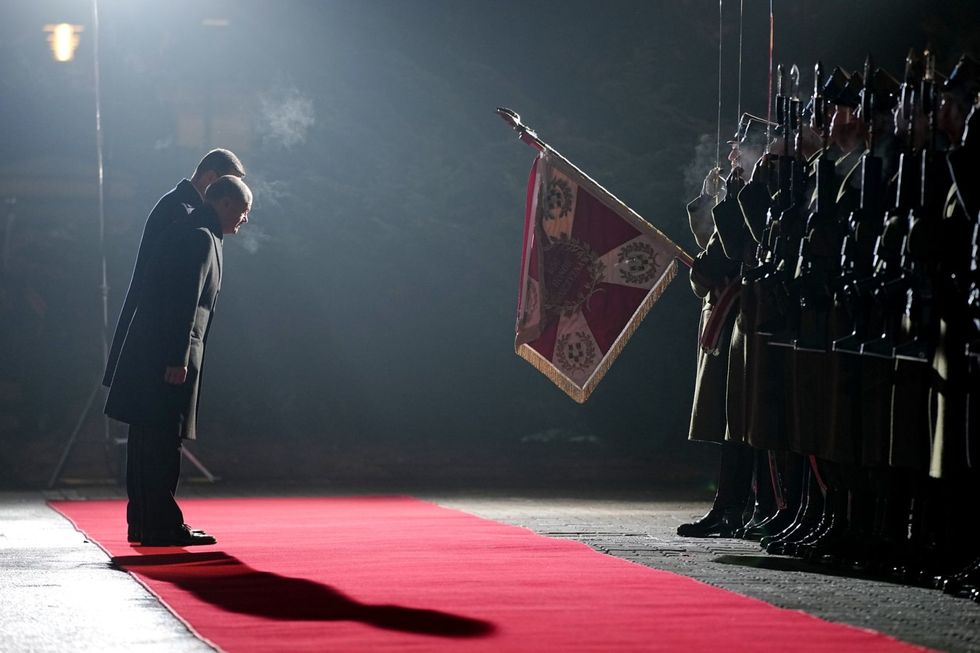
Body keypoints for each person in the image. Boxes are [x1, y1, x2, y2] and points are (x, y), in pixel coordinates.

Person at [104, 176, 253, 547]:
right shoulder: (201, 237)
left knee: (145, 441)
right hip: (167, 358)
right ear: (223, 203)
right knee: (162, 442)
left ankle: (144, 523)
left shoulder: (189, 230)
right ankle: (162, 525)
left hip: (151, 354)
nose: (244, 219)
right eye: (243, 210)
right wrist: (177, 358)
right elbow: (182, 303)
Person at [103, 149, 245, 389]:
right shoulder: (182, 213)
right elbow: (176, 290)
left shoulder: (182, 208)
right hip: (156, 340)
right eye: (227, 184)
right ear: (210, 179)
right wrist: (176, 355)